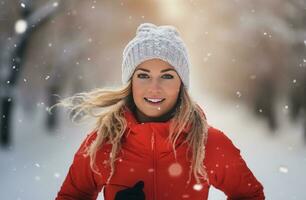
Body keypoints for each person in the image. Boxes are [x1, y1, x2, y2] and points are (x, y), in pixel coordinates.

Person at [55, 22, 265, 200]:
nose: (154, 88)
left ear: (181, 84)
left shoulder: (208, 143)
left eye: (167, 76)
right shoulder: (102, 143)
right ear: (131, 82)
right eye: (143, 76)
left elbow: (250, 196)